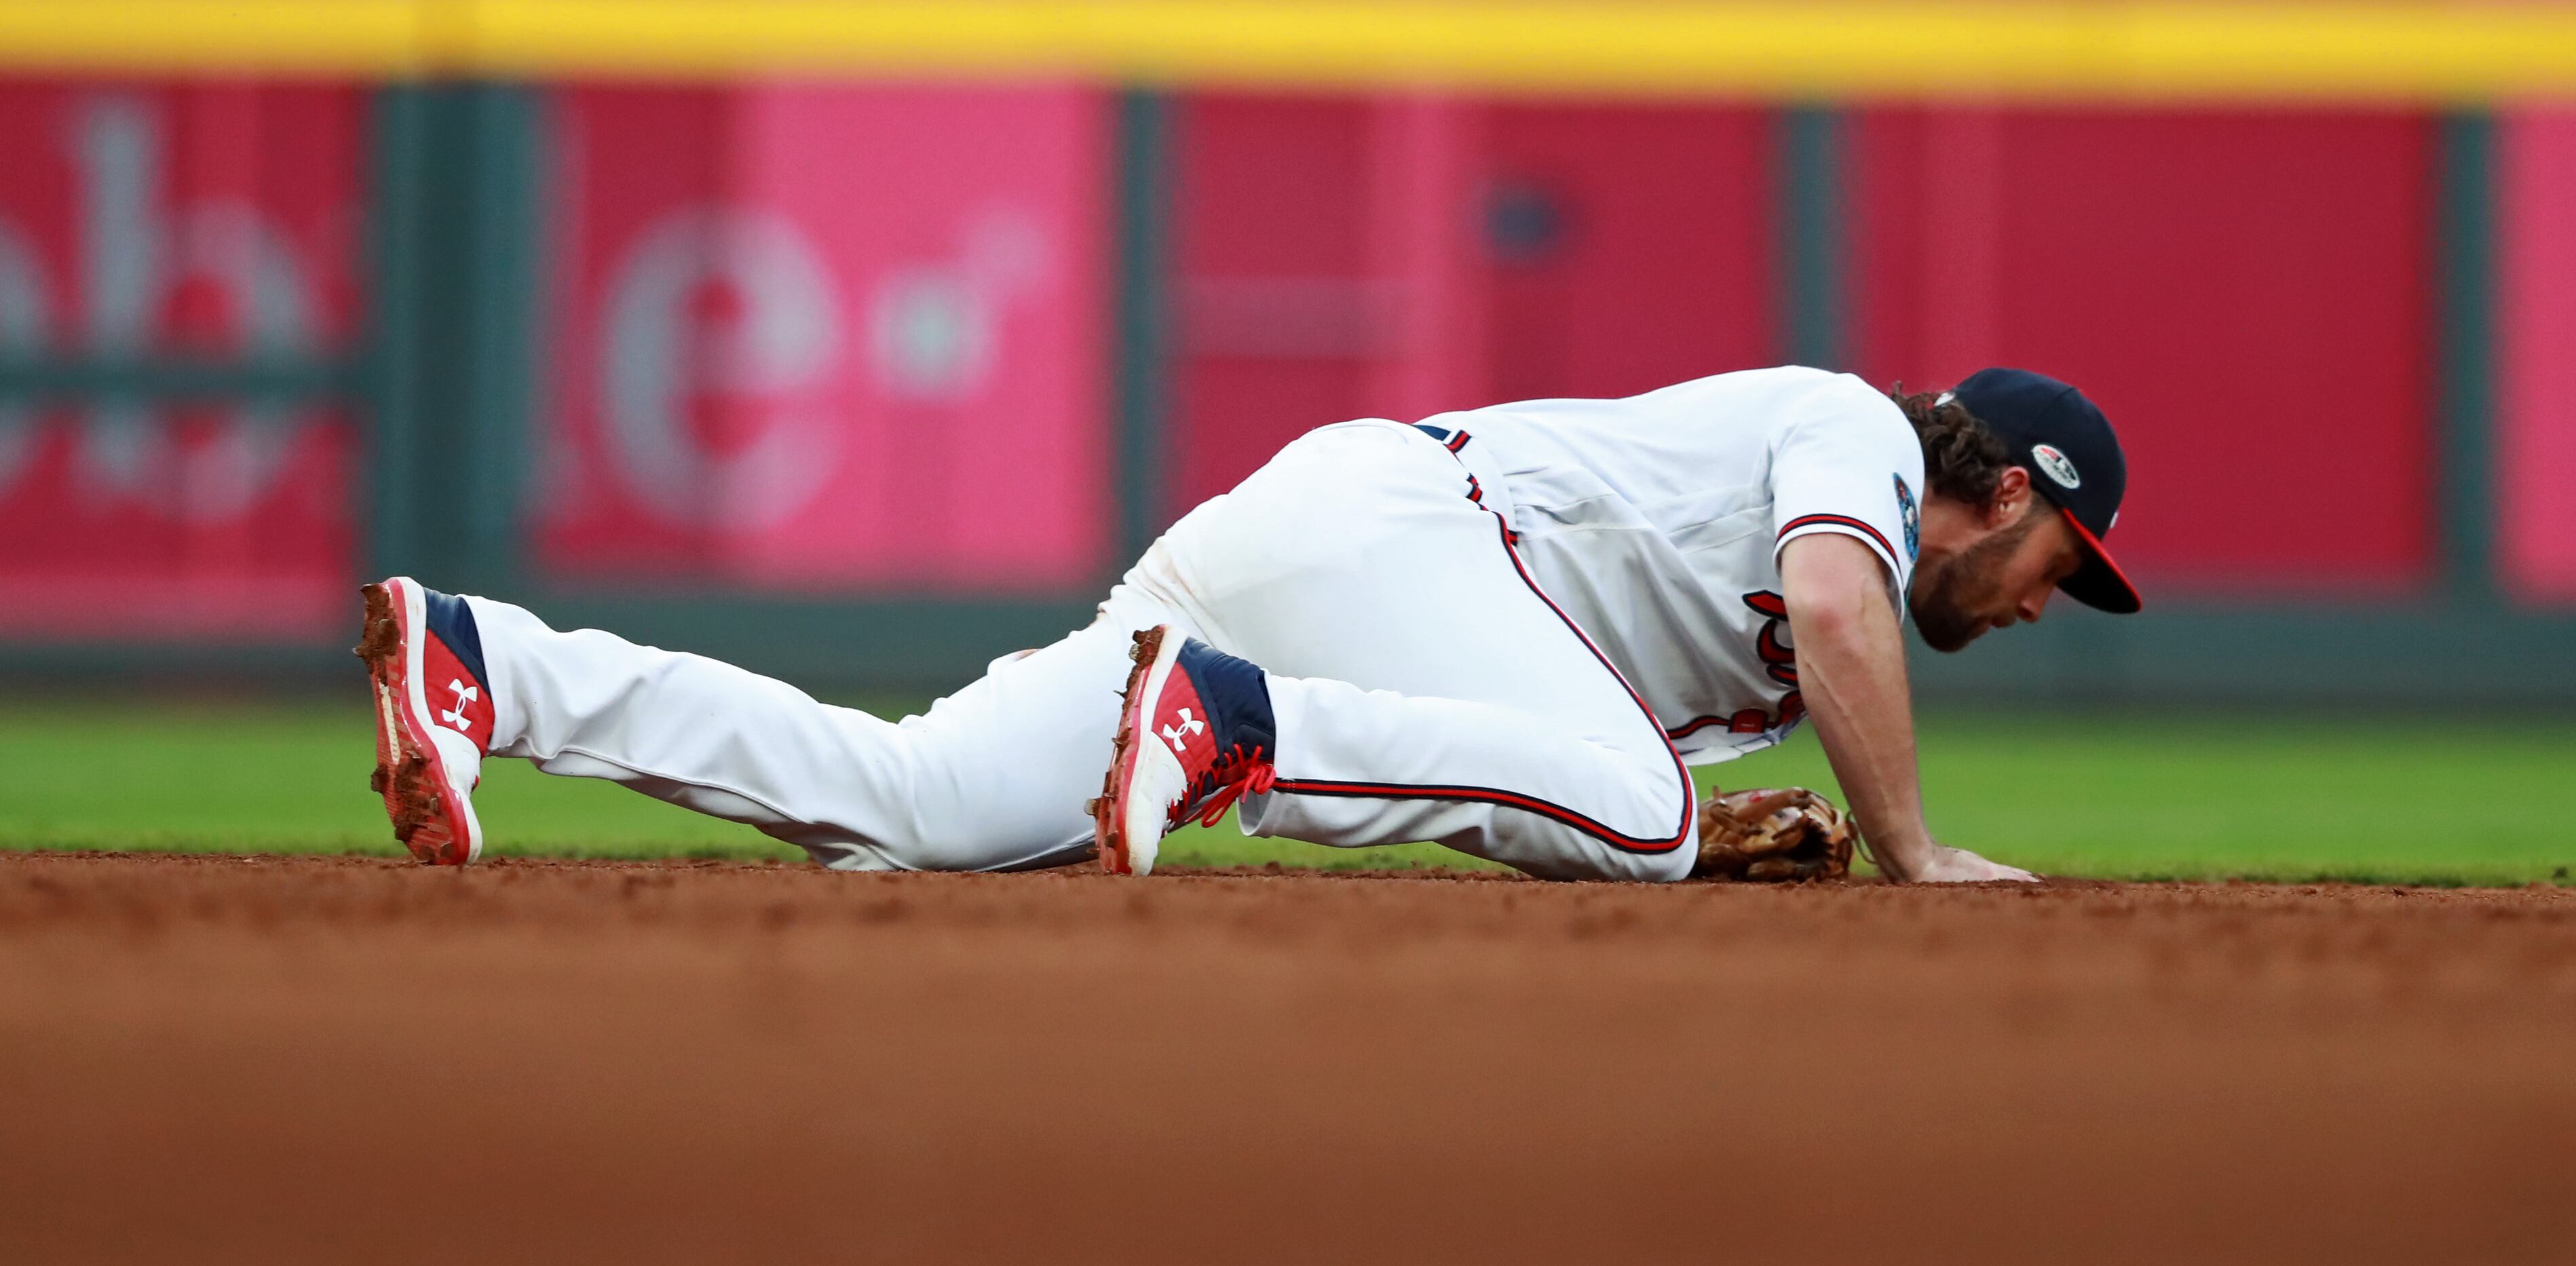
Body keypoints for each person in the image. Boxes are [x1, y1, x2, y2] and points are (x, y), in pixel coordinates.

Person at [360, 365, 2140, 883]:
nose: (2058, 594)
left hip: (1341, 548)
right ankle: (1234, 727)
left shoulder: (1757, 639)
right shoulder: (1857, 439)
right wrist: (1908, 851)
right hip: (1395, 532)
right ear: (2007, 486)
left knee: (913, 806)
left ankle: (494, 662)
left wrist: (1696, 824)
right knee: (1649, 818)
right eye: (2070, 552)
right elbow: (1838, 599)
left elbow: (1510, 759)